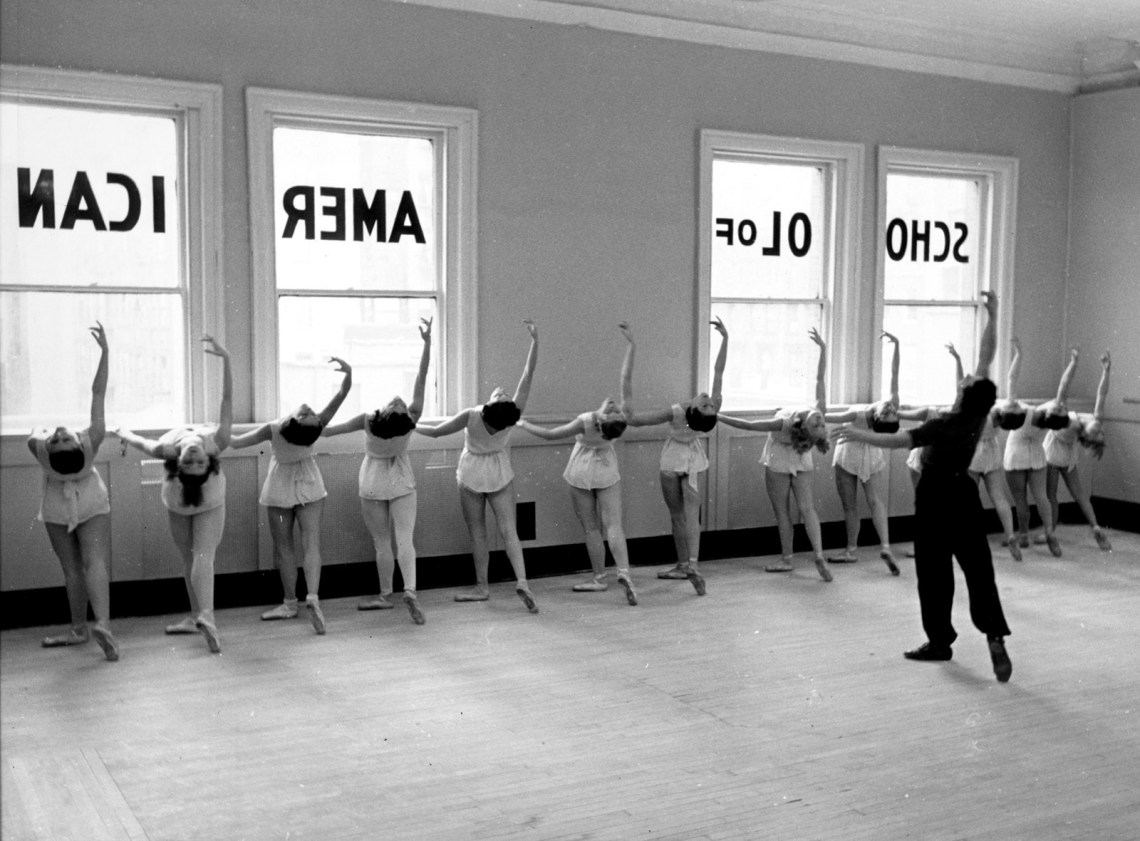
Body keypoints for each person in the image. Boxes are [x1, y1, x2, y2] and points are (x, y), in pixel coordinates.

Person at [832, 291, 1013, 683]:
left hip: (933, 496)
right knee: (978, 568)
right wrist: (994, 316)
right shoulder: (977, 416)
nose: (965, 377)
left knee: (933, 572)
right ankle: (994, 633)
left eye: (965, 381)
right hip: (964, 493)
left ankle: (939, 642)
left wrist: (858, 435)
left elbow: (897, 442)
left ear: (963, 393)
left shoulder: (941, 425)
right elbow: (986, 358)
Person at [115, 336, 232, 654]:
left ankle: (205, 617)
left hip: (206, 496)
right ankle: (200, 617)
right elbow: (226, 403)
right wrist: (226, 361)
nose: (193, 454)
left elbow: (138, 440)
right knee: (195, 557)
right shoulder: (214, 443)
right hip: (183, 497)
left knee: (199, 556)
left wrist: (122, 432)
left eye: (193, 460)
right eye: (193, 460)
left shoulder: (168, 451)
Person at [415, 320, 540, 612]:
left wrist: (411, 425)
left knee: (478, 532)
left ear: (490, 405)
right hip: (498, 470)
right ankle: (522, 580)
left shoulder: (473, 415)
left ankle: (483, 587)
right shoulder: (513, 415)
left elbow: (436, 432)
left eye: (500, 394)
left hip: (471, 470)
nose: (502, 391)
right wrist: (535, 341)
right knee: (510, 530)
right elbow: (528, 374)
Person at [516, 322, 638, 606]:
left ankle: (599, 577)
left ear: (602, 420)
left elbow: (548, 435)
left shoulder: (586, 422)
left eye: (613, 408)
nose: (613, 404)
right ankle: (624, 572)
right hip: (606, 469)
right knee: (614, 525)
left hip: (581, 470)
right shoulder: (620, 423)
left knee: (591, 527)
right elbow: (626, 378)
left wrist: (524, 423)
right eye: (615, 407)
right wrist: (632, 346)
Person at [321, 318, 433, 624]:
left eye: (397, 405)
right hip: (400, 480)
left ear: (386, 414)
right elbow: (421, 377)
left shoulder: (368, 420)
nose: (399, 401)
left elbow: (328, 431)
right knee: (405, 540)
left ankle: (386, 595)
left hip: (372, 480)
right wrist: (427, 343)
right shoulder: (410, 419)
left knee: (382, 542)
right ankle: (409, 590)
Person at [230, 357, 353, 635]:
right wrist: (348, 374)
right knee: (311, 544)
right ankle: (312, 597)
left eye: (307, 412)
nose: (309, 409)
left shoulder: (273, 429)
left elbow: (236, 443)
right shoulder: (316, 426)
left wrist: (220, 428)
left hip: (279, 488)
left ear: (296, 420)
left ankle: (290, 602)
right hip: (309, 485)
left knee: (284, 548)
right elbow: (342, 395)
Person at [29, 322, 119, 662]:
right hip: (91, 499)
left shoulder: (37, 448)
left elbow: (36, 434)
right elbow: (98, 394)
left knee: (73, 567)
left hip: (55, 501)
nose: (62, 434)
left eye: (59, 438)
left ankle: (82, 628)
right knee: (93, 562)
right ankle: (102, 625)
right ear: (79, 448)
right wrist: (105, 352)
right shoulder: (91, 439)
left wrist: (45, 436)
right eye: (62, 438)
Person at [719, 328, 832, 583]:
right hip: (797, 459)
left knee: (787, 511)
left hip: (782, 460)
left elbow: (747, 426)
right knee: (804, 509)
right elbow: (820, 379)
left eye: (820, 425)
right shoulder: (807, 414)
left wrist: (718, 416)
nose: (821, 422)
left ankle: (797, 558)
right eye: (820, 424)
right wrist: (823, 350)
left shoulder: (783, 423)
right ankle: (807, 556)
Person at [626, 317, 729, 596]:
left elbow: (636, 421)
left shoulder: (677, 411)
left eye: (706, 403)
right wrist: (725, 339)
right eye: (708, 403)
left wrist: (626, 408)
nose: (708, 398)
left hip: (673, 460)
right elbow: (719, 372)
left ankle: (687, 564)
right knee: (688, 515)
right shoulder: (704, 412)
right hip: (692, 460)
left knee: (679, 515)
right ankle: (689, 565)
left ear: (695, 410)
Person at [823, 331, 902, 575]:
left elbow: (825, 415)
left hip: (849, 455)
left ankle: (851, 550)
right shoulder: (892, 406)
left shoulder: (856, 414)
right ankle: (885, 546)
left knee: (851, 506)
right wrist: (897, 347)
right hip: (872, 455)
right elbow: (894, 375)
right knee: (876, 501)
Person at [947, 342, 1023, 561]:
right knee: (999, 497)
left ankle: (968, 540)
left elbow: (959, 388)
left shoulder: (978, 408)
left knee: (968, 499)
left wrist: (958, 360)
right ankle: (1010, 535)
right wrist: (1018, 355)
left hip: (973, 453)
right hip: (992, 451)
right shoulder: (1001, 416)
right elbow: (1012, 378)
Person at [1041, 348, 1113, 551]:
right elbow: (1102, 393)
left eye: (1097, 430)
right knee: (1079, 495)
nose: (1099, 426)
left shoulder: (1069, 422)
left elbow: (1063, 387)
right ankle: (1095, 527)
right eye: (1100, 430)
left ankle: (1051, 531)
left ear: (1086, 433)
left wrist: (1074, 362)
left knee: (1051, 495)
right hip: (1068, 455)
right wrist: (1106, 371)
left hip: (1054, 454)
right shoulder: (1092, 422)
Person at [1002, 338, 1062, 557]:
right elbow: (1059, 396)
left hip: (1016, 453)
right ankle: (1049, 532)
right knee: (1042, 497)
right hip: (1036, 453)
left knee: (1020, 499)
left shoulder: (1018, 413)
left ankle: (1024, 535)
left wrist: (1019, 354)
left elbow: (1011, 378)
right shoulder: (1045, 418)